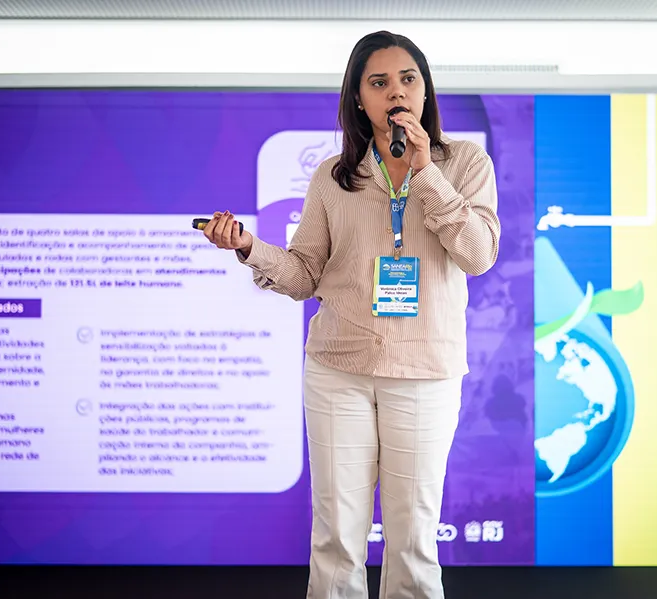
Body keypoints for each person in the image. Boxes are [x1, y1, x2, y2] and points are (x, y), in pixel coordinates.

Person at [202, 30, 500, 599]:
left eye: (408, 79)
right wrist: (248, 247)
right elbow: (303, 274)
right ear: (359, 100)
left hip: (424, 372)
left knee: (413, 541)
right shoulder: (333, 177)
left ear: (426, 91)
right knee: (337, 537)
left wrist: (424, 172)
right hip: (338, 369)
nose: (397, 92)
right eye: (379, 82)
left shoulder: (464, 163)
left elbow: (478, 255)